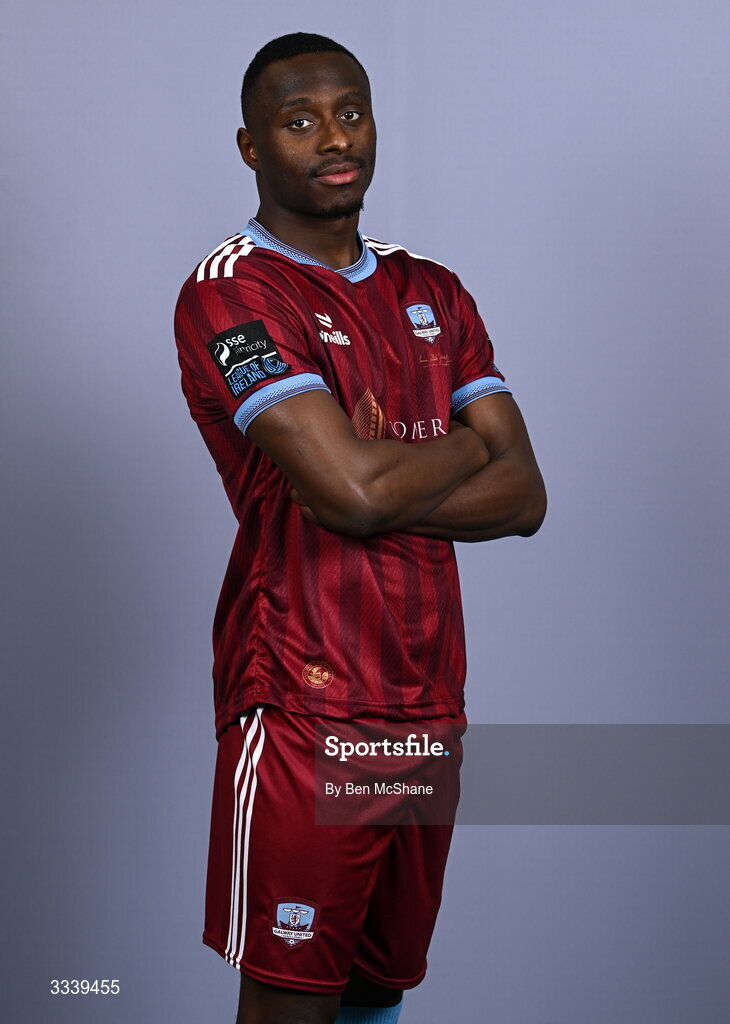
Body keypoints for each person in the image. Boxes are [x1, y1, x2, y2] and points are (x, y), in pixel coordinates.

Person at [174, 31, 546, 1024]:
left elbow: (525, 496)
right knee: (294, 1003)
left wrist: (381, 474)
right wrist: (466, 447)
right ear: (251, 146)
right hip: (306, 705)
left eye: (350, 112)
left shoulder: (434, 291)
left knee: (378, 994)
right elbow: (348, 494)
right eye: (298, 121)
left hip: (429, 704)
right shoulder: (232, 292)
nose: (334, 139)